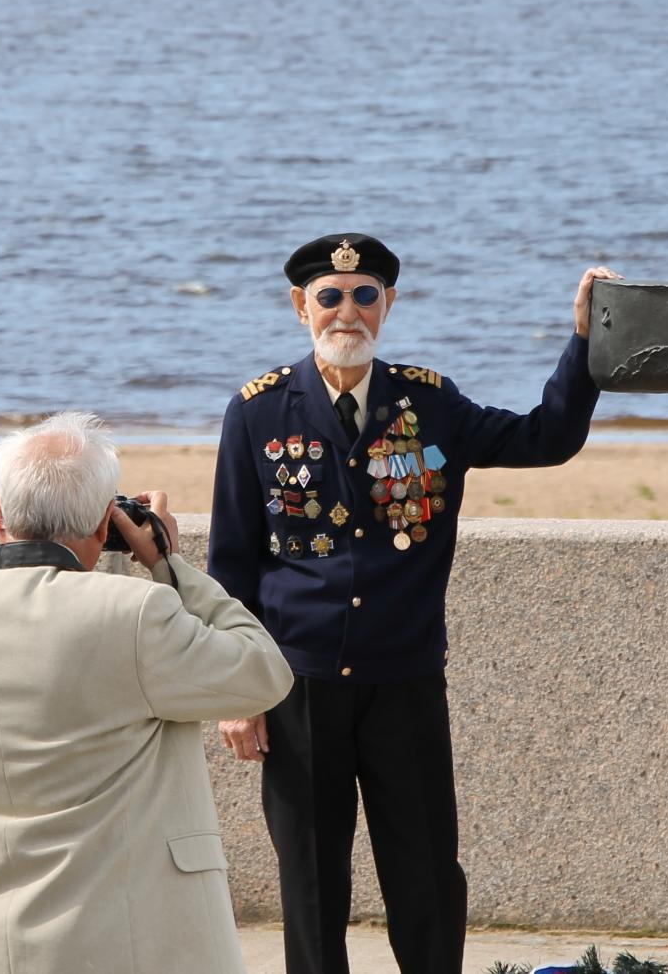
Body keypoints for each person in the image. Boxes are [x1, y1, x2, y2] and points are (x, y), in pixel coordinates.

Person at [208, 234, 618, 974]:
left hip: (403, 682)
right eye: (330, 297)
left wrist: (586, 341)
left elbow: (546, 437)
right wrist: (239, 693)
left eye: (366, 295)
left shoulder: (430, 403)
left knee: (426, 877)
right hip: (297, 686)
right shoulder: (258, 413)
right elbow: (233, 565)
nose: (348, 311)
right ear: (301, 306)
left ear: (388, 305)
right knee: (310, 884)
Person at [0, 411, 291, 972]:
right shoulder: (135, 614)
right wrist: (168, 565)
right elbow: (263, 672)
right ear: (107, 526)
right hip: (119, 940)